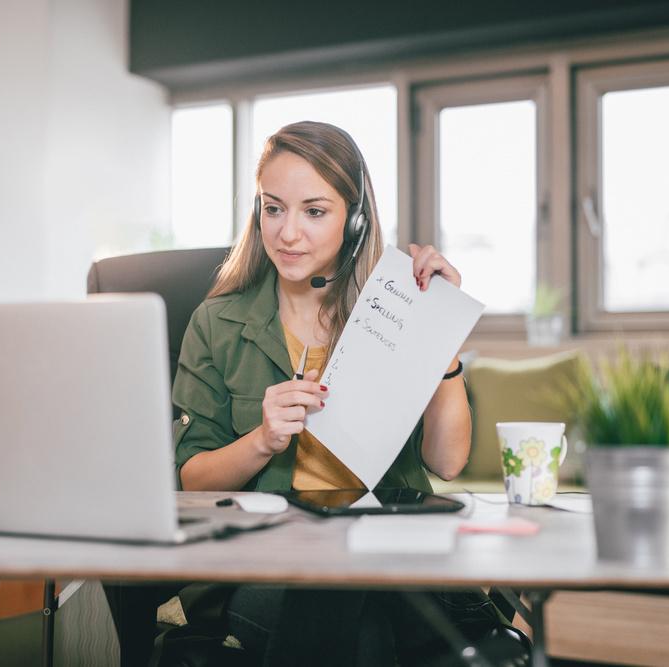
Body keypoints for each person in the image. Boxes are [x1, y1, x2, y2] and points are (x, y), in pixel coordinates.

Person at [168, 121, 513, 666]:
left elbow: (446, 462)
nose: (287, 233)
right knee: (360, 623)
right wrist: (263, 439)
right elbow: (192, 481)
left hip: (391, 552)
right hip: (266, 564)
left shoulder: (394, 305)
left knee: (390, 613)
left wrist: (438, 331)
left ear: (354, 220)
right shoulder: (217, 322)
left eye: (314, 211)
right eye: (272, 207)